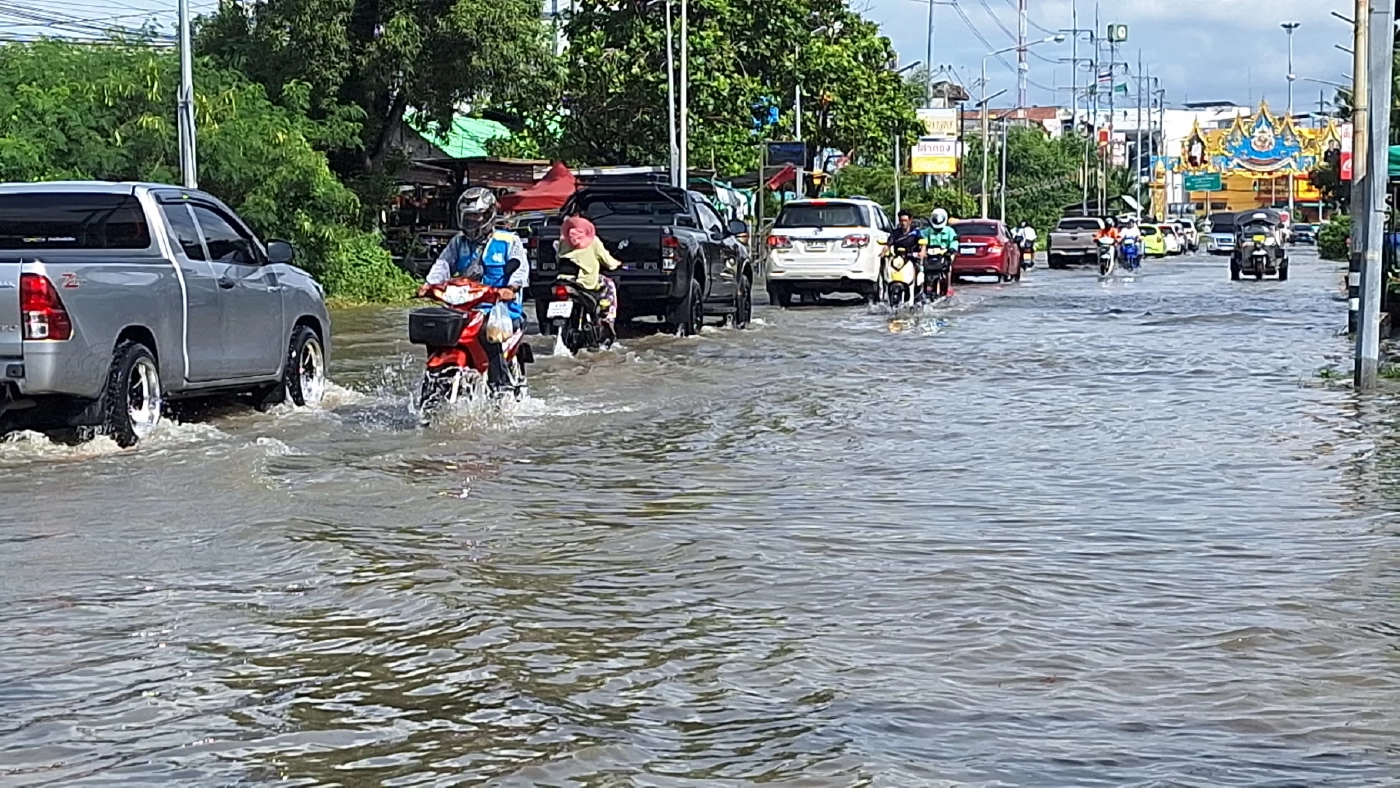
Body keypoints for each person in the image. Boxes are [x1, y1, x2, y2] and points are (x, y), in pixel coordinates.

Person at [421, 187, 529, 393]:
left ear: (488, 216)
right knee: (437, 330)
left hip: (500, 311)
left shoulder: (508, 241)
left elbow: (520, 269)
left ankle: (501, 385)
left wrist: (511, 288)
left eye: (475, 216)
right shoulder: (458, 243)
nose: (471, 222)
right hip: (466, 308)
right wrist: (429, 285)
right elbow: (443, 264)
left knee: (487, 332)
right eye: (467, 217)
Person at [557, 214, 622, 335]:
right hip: (585, 281)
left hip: (563, 280)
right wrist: (617, 264)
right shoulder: (593, 241)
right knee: (609, 285)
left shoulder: (562, 241)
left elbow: (558, 259)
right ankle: (607, 317)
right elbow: (608, 261)